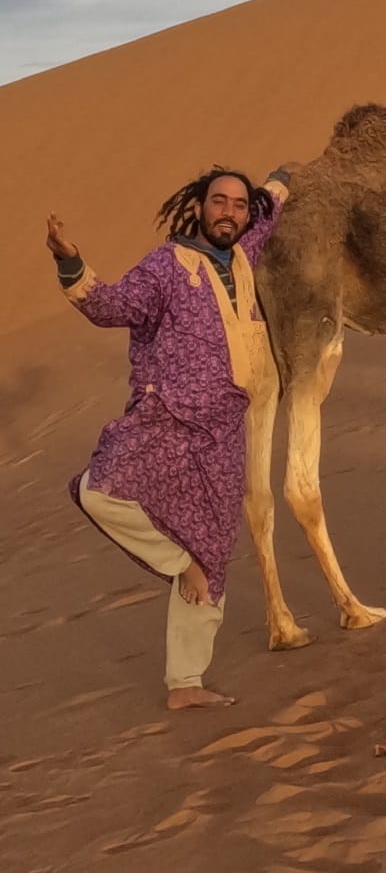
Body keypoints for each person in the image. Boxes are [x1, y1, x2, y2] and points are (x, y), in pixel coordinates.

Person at [46, 163, 292, 710]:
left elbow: (271, 204)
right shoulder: (166, 266)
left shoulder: (248, 247)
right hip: (168, 416)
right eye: (219, 201)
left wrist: (282, 178)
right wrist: (69, 261)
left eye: (237, 204)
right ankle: (179, 561)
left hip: (225, 427)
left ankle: (186, 684)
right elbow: (112, 307)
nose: (229, 211)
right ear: (199, 207)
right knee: (99, 489)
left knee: (215, 553)